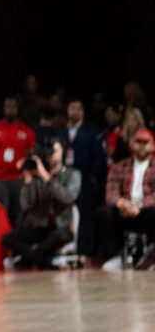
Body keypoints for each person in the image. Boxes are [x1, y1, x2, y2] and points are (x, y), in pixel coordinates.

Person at [0, 137, 81, 269]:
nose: (51, 155)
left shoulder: (72, 174)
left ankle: (29, 256)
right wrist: (28, 180)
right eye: (48, 152)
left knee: (61, 235)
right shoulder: (37, 175)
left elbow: (68, 197)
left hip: (61, 227)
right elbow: (26, 205)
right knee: (7, 238)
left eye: (54, 151)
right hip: (39, 229)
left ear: (63, 152)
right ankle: (39, 258)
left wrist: (46, 177)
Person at [96, 128, 155, 271]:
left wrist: (139, 205)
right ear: (132, 144)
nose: (141, 146)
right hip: (124, 208)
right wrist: (122, 203)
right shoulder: (119, 167)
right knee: (103, 212)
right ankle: (115, 256)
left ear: (152, 145)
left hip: (145, 209)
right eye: (138, 142)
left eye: (145, 142)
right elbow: (111, 192)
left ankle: (151, 256)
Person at [0, 96, 35, 228]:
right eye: (7, 106)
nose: (10, 109)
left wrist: (30, 179)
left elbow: (31, 158)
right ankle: (1, 245)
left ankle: (17, 246)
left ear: (18, 109)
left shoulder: (26, 131)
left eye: (13, 106)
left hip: (19, 180)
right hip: (0, 180)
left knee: (19, 216)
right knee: (0, 216)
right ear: (3, 109)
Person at [64, 99, 105, 260]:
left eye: (78, 108)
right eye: (71, 107)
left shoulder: (91, 132)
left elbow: (98, 158)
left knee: (85, 216)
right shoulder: (61, 131)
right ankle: (67, 249)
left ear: (82, 112)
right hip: (64, 178)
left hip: (84, 179)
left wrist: (93, 178)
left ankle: (85, 250)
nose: (75, 111)